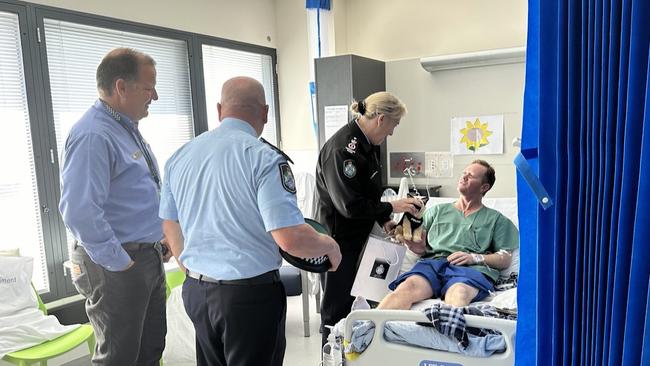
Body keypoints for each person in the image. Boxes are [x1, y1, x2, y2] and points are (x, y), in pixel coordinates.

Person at [159, 76, 342, 366]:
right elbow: (289, 237)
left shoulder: (181, 156)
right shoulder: (264, 159)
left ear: (219, 110)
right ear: (265, 113)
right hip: (249, 297)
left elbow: (170, 225)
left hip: (197, 292)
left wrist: (190, 268)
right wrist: (328, 245)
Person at [59, 48, 170, 365]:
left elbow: (134, 193)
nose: (156, 96)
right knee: (119, 358)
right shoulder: (93, 134)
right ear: (121, 87)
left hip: (143, 254)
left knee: (150, 349)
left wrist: (155, 239)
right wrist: (120, 262)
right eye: (148, 88)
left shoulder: (124, 128)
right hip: (116, 262)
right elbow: (80, 210)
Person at [314, 91, 421, 344]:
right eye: (393, 126)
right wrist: (393, 205)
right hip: (336, 242)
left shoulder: (367, 146)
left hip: (356, 239)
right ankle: (330, 359)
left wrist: (386, 220)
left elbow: (371, 192)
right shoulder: (344, 150)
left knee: (355, 307)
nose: (392, 133)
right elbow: (349, 205)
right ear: (381, 119)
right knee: (336, 310)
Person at [378, 160, 519, 310]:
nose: (464, 177)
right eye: (464, 173)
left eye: (471, 176)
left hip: (470, 270)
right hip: (433, 265)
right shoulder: (436, 212)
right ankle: (370, 327)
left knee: (459, 293)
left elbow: (505, 259)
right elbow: (420, 248)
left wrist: (473, 257)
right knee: (406, 288)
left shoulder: (496, 220)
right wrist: (416, 246)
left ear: (484, 187)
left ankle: (447, 325)